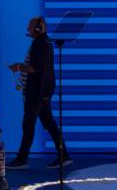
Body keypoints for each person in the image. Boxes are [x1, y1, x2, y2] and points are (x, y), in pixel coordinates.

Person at [6, 16, 71, 170]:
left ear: (37, 28)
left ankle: (22, 159)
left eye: (29, 27)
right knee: (49, 123)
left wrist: (18, 67)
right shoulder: (45, 42)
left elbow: (35, 68)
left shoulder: (39, 44)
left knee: (28, 124)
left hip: (36, 92)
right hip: (43, 91)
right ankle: (64, 156)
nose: (27, 29)